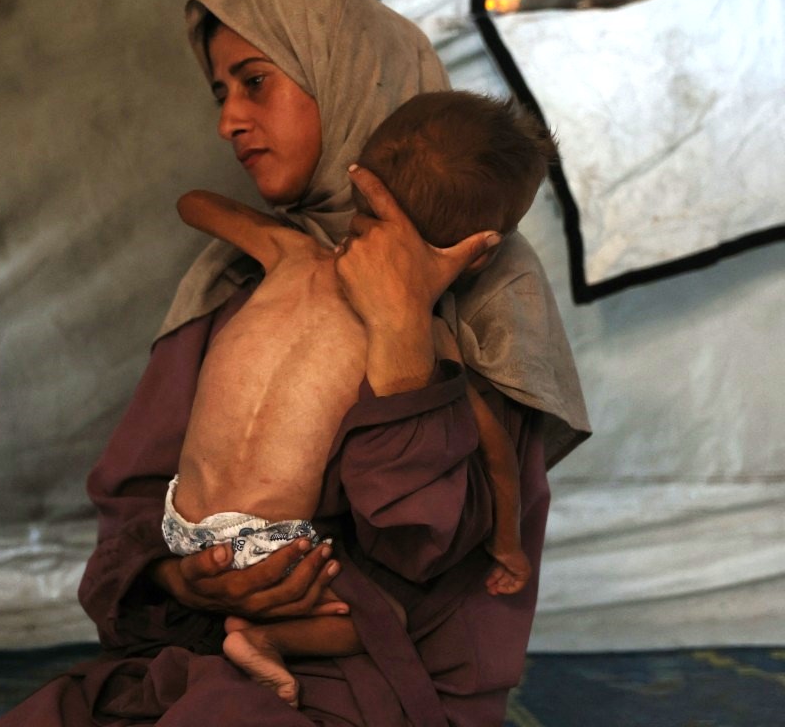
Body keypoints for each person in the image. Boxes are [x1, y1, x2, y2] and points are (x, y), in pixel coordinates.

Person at [0, 0, 589, 727]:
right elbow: (135, 498)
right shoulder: (240, 278)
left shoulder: (484, 303)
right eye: (220, 92)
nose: (228, 121)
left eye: (255, 82)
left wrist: (404, 334)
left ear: (350, 76)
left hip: (381, 687)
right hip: (201, 650)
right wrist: (186, 584)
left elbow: (433, 560)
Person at [167, 89, 556, 705]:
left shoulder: (289, 253)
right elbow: (497, 458)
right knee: (386, 620)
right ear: (483, 250)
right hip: (273, 548)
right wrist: (506, 545)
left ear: (360, 188)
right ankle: (264, 641)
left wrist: (276, 225)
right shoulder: (420, 338)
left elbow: (194, 203)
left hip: (177, 525)